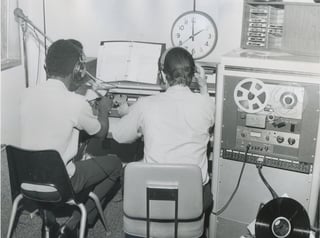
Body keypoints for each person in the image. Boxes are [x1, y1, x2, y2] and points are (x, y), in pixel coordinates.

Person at [20, 39, 122, 238]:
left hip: (26, 180)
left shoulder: (25, 95)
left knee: (47, 155)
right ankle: (73, 224)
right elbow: (101, 133)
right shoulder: (76, 103)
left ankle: (49, 221)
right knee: (115, 165)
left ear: (46, 67)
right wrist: (103, 109)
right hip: (62, 183)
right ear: (78, 70)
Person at [112, 47, 215, 233]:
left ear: (163, 74)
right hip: (193, 199)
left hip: (152, 199)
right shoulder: (206, 104)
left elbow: (119, 136)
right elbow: (209, 113)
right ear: (193, 75)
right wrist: (204, 87)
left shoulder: (145, 104)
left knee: (129, 168)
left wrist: (129, 113)